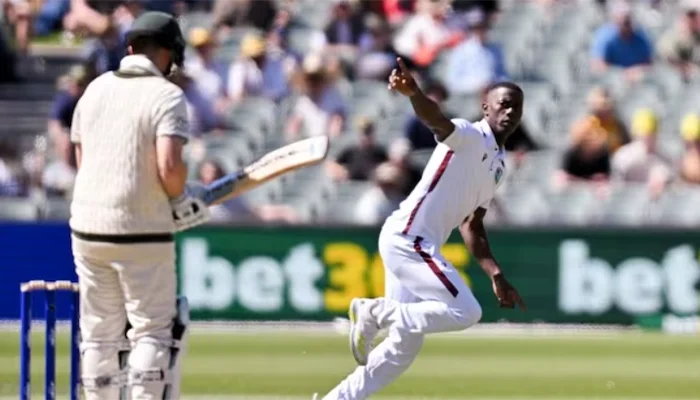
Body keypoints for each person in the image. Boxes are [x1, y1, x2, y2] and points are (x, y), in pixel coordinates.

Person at [314, 57, 526, 400]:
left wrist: (495, 273)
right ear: (485, 107)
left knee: (402, 350)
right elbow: (436, 120)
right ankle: (373, 311)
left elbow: (472, 223)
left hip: (416, 244)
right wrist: (414, 92)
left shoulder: (499, 165)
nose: (511, 112)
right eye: (504, 104)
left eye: (517, 107)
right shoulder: (470, 135)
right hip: (408, 239)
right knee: (467, 311)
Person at [69, 11, 210, 400]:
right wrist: (182, 197)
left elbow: (84, 161)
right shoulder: (167, 95)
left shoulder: (94, 89)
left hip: (86, 226)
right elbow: (168, 168)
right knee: (150, 330)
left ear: (130, 48)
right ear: (169, 54)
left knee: (98, 333)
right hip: (142, 230)